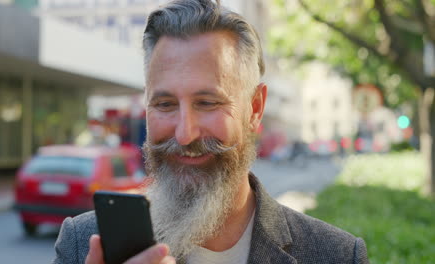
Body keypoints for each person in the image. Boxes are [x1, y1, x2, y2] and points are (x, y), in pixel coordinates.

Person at [52, 0, 369, 263]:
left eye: (207, 102)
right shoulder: (82, 245)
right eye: (164, 104)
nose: (185, 133)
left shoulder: (335, 255)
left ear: (255, 109)